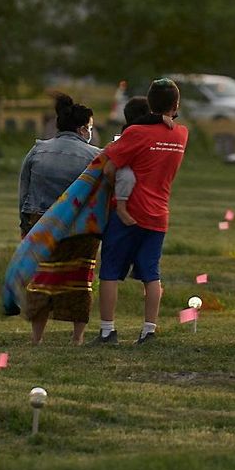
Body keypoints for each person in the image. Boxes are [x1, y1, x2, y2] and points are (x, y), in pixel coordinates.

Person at [94, 78, 188, 345]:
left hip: (128, 211)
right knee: (151, 273)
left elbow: (109, 166)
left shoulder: (136, 134)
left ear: (149, 103)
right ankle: (149, 330)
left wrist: (115, 189)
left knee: (110, 271)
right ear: (176, 105)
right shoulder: (181, 134)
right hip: (158, 213)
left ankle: (107, 331)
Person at [17, 93, 100, 345]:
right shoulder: (95, 155)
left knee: (42, 279)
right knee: (79, 280)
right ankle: (77, 338)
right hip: (80, 228)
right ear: (83, 127)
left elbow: (24, 189)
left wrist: (24, 225)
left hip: (41, 222)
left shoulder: (38, 149)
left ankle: (37, 337)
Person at [115, 96, 173, 225]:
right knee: (127, 176)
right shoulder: (131, 129)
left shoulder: (137, 129)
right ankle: (121, 207)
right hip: (124, 169)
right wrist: (158, 118)